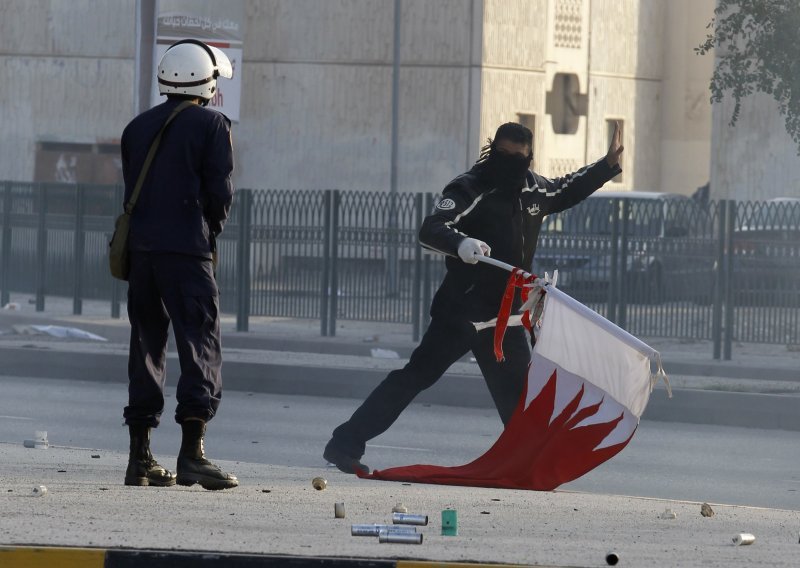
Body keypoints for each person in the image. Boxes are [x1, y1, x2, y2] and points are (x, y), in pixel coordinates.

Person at [323, 121, 624, 474]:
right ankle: (344, 445)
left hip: (505, 318)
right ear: (492, 150)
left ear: (529, 158)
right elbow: (432, 228)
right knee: (414, 378)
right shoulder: (470, 187)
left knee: (518, 398)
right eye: (503, 155)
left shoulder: (533, 190)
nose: (509, 163)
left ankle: (527, 466)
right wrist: (460, 244)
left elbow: (567, 188)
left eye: (518, 158)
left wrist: (606, 165)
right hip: (462, 313)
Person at [120, 39, 238, 490]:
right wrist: (209, 231)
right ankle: (193, 455)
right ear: (206, 80)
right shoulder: (212, 125)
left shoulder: (136, 127)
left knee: (146, 346)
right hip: (187, 252)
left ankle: (140, 459)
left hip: (142, 255)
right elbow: (220, 194)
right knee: (200, 345)